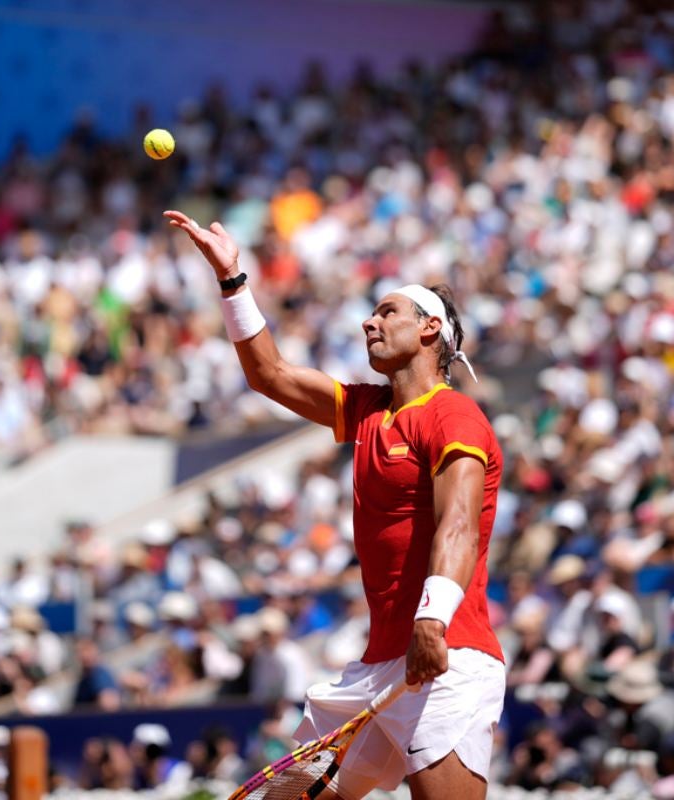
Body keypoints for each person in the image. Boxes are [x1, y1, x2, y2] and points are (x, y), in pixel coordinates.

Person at [166, 209, 505, 800]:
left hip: (448, 654)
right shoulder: (371, 411)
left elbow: (459, 526)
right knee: (286, 796)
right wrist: (232, 279)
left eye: (387, 311)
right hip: (377, 666)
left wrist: (432, 618)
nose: (369, 322)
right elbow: (268, 374)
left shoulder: (454, 414)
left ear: (430, 330)